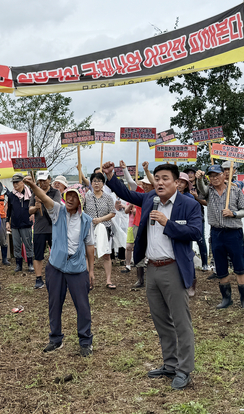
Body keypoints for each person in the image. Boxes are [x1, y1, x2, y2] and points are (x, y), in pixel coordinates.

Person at [102, 161, 202, 390]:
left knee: (181, 322)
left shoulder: (189, 205)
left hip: (174, 268)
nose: (160, 182)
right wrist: (111, 176)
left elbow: (196, 233)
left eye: (165, 178)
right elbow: (127, 193)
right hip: (152, 268)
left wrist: (169, 224)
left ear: (177, 182)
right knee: (161, 320)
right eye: (157, 178)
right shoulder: (149, 199)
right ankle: (170, 364)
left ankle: (184, 369)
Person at [22, 175, 95, 357]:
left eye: (74, 197)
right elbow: (45, 198)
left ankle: (85, 341)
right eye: (68, 196)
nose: (70, 199)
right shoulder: (58, 211)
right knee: (54, 304)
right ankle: (55, 339)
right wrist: (32, 185)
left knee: (83, 306)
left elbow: (90, 246)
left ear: (81, 201)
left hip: (77, 269)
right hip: (55, 266)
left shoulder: (86, 220)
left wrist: (91, 270)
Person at [196, 164, 244, 311]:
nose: (214, 178)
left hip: (234, 233)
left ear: (224, 175)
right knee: (220, 266)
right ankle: (226, 298)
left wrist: (234, 213)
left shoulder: (235, 190)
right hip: (216, 232)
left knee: (239, 267)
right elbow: (201, 190)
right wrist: (199, 179)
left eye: (217, 175)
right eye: (211, 176)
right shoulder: (209, 191)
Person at [118, 161, 154, 289]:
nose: (144, 185)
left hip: (153, 225)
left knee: (152, 251)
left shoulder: (158, 195)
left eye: (146, 183)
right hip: (138, 224)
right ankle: (140, 279)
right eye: (143, 183)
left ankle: (152, 279)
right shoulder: (140, 193)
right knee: (138, 250)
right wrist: (125, 169)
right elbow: (131, 183)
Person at [85, 172, 117, 289]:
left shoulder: (108, 197)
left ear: (103, 183)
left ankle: (108, 280)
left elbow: (113, 213)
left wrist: (100, 220)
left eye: (99, 181)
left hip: (105, 228)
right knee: (89, 254)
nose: (97, 183)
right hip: (90, 229)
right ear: (91, 183)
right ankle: (89, 280)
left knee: (106, 254)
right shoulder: (86, 197)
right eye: (94, 181)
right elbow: (82, 211)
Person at [29, 171, 61, 289]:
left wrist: (43, 200)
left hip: (54, 228)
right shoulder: (34, 193)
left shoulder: (55, 192)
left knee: (57, 252)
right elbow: (30, 210)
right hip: (39, 229)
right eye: (40, 180)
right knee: (38, 255)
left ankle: (58, 275)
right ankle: (38, 278)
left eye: (44, 180)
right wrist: (36, 207)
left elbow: (56, 206)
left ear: (49, 179)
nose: (42, 183)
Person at [6, 174, 35, 273]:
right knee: (16, 245)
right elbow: (9, 210)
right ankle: (18, 265)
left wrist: (33, 214)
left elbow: (35, 205)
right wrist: (7, 222)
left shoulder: (30, 193)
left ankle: (30, 264)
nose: (15, 184)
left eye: (17, 182)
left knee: (28, 244)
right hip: (15, 224)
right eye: (14, 183)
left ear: (23, 182)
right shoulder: (11, 195)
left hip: (26, 223)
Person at [186, 167, 209, 271]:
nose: (190, 174)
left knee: (200, 239)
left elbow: (207, 202)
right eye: (188, 173)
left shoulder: (200, 187)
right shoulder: (184, 186)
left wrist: (196, 197)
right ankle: (188, 262)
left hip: (198, 215)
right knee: (187, 239)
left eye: (192, 172)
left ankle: (205, 263)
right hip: (186, 216)